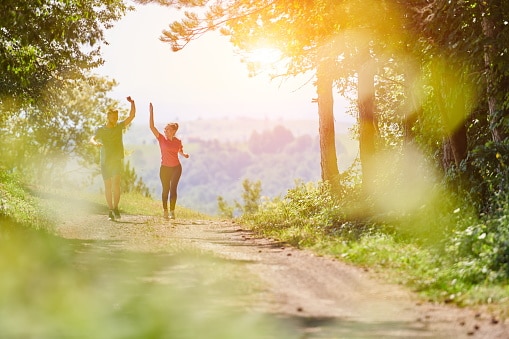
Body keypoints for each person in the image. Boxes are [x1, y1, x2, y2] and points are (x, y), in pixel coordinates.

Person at [90, 96, 136, 221]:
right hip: (105, 161)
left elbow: (131, 116)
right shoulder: (100, 129)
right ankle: (110, 209)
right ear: (108, 117)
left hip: (116, 160)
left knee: (116, 184)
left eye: (116, 117)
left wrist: (132, 103)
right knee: (108, 186)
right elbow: (92, 139)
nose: (115, 120)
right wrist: (95, 144)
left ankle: (116, 208)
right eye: (113, 117)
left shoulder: (119, 126)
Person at [149, 102, 189, 220]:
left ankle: (172, 212)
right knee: (165, 189)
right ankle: (165, 211)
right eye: (165, 129)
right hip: (165, 168)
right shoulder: (161, 139)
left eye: (167, 129)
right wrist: (151, 112)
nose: (165, 131)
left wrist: (184, 154)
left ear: (172, 131)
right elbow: (152, 127)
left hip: (176, 168)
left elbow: (179, 150)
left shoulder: (177, 141)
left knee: (173, 189)